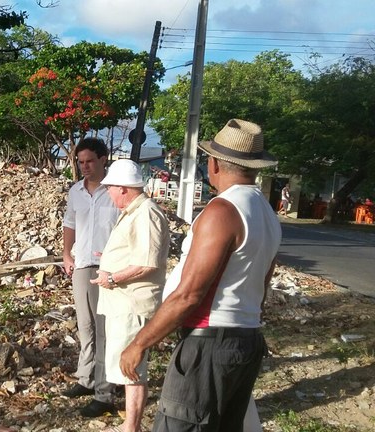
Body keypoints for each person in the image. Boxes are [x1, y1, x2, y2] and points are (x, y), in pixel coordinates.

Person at [120, 119, 281, 432]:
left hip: (210, 343)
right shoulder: (266, 212)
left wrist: (139, 343)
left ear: (215, 164)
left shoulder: (222, 210)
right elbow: (263, 283)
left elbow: (189, 293)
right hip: (245, 340)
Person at [89, 159, 170, 432]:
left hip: (132, 304)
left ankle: (131, 427)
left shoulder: (145, 213)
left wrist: (111, 277)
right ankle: (129, 423)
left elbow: (148, 262)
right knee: (126, 366)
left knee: (131, 368)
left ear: (123, 188)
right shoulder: (133, 211)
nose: (108, 192)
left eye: (110, 187)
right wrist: (110, 261)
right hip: (122, 303)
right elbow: (135, 253)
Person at [61, 137, 122, 417]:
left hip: (109, 267)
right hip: (82, 265)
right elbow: (69, 224)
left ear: (103, 159)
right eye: (81, 162)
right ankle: (86, 379)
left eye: (89, 161)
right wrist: (66, 255)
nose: (84, 167)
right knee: (85, 326)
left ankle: (104, 393)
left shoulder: (117, 191)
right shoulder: (76, 191)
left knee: (104, 330)